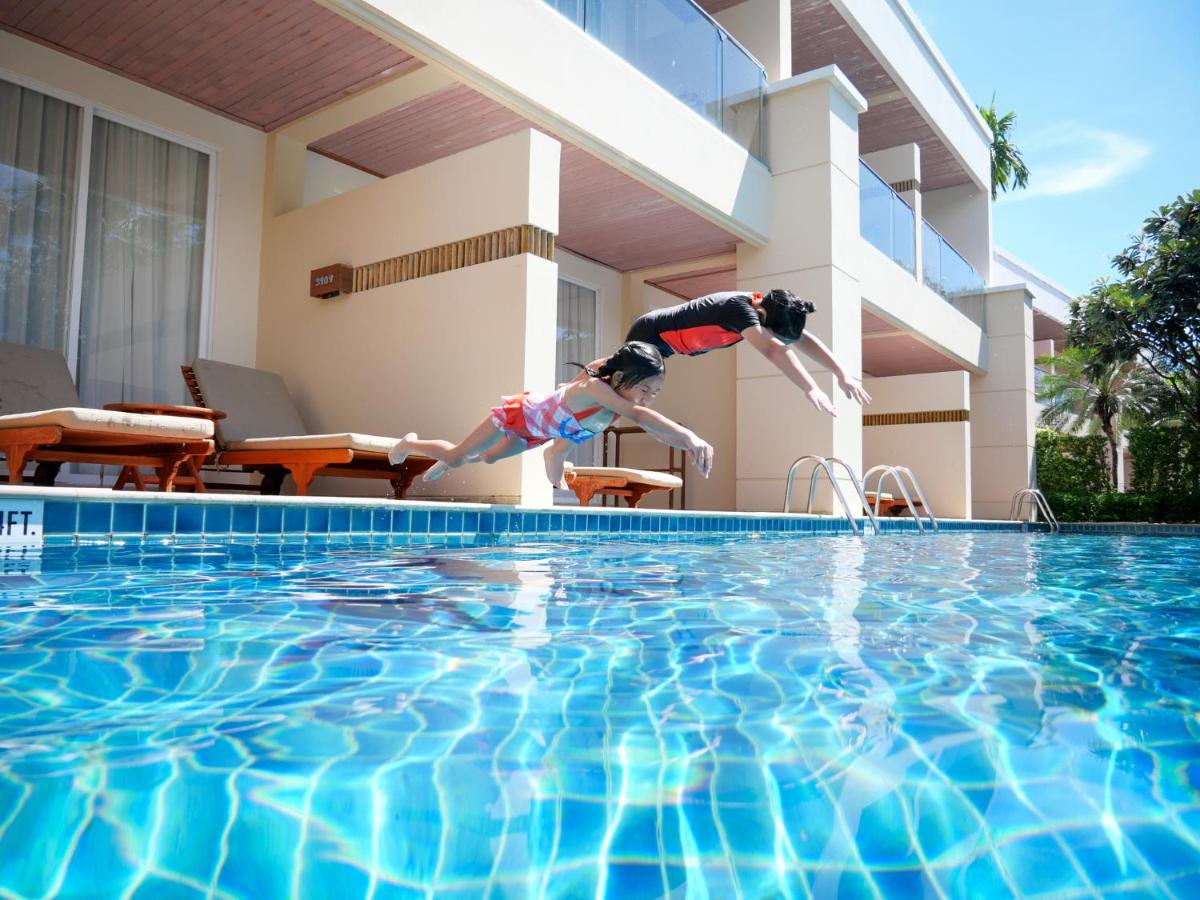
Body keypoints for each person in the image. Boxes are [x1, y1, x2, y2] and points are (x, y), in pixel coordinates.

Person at [388, 341, 714, 489]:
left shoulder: (612, 407)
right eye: (644, 389)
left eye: (655, 392)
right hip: (519, 415)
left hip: (541, 434)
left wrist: (686, 445)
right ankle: (411, 444)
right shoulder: (596, 389)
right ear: (619, 378)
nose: (648, 398)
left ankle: (450, 461)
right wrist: (689, 436)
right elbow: (641, 417)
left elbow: (655, 429)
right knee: (459, 456)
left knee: (488, 458)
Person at [620, 289, 871, 416]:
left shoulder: (771, 309)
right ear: (761, 316)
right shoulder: (740, 309)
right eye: (774, 334)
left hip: (668, 344)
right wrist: (811, 388)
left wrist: (842, 374)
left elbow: (804, 340)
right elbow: (773, 349)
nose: (774, 338)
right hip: (650, 334)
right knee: (633, 394)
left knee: (640, 394)